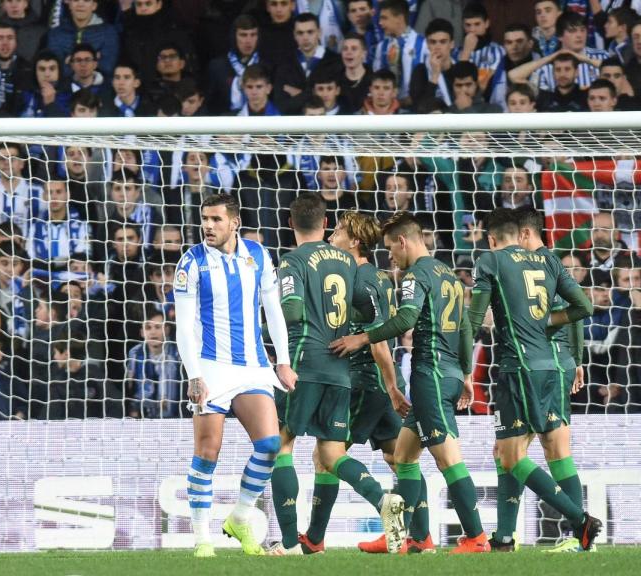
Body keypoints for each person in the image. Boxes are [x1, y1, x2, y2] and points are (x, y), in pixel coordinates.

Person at [330, 211, 489, 554]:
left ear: (403, 241)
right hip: (448, 373)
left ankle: (477, 538)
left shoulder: (416, 275)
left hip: (431, 375)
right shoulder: (448, 274)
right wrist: (464, 374)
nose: (390, 257)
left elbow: (405, 319)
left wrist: (362, 338)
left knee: (448, 459)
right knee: (403, 456)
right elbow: (464, 328)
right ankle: (412, 537)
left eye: (390, 249)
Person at [269, 195, 404, 556]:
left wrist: (270, 322)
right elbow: (367, 308)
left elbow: (292, 310)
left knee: (280, 443)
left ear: (290, 222)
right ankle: (383, 500)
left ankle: (289, 543)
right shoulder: (347, 262)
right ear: (325, 223)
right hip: (340, 370)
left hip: (303, 363)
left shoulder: (292, 260)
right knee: (331, 453)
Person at [466, 207, 602, 552]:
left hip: (523, 366)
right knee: (547, 450)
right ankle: (510, 538)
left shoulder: (499, 261)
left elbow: (476, 318)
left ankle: (579, 523)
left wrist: (461, 360)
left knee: (511, 453)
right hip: (558, 364)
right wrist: (576, 357)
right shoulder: (550, 262)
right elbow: (582, 310)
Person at [174, 194, 296, 558]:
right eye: (204, 219)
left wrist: (283, 361)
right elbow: (183, 326)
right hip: (210, 367)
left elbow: (274, 310)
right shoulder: (191, 261)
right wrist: (194, 374)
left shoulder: (257, 255)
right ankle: (202, 538)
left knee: (270, 445)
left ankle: (240, 517)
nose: (207, 226)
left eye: (215, 219)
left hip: (253, 366)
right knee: (207, 452)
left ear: (234, 222)